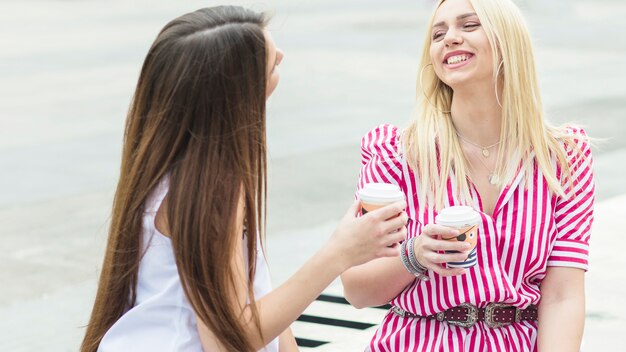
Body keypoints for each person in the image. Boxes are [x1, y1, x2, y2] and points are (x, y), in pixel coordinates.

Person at [80, 6, 408, 352]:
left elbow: (253, 293)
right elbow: (230, 338)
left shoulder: (174, 170)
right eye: (267, 58)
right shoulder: (210, 192)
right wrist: (339, 253)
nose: (280, 55)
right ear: (233, 90)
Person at [341, 0, 595, 351]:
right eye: (439, 33)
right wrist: (415, 255)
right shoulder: (395, 155)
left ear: (508, 40)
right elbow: (357, 290)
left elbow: (563, 296)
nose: (450, 39)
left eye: (469, 25)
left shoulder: (563, 158)